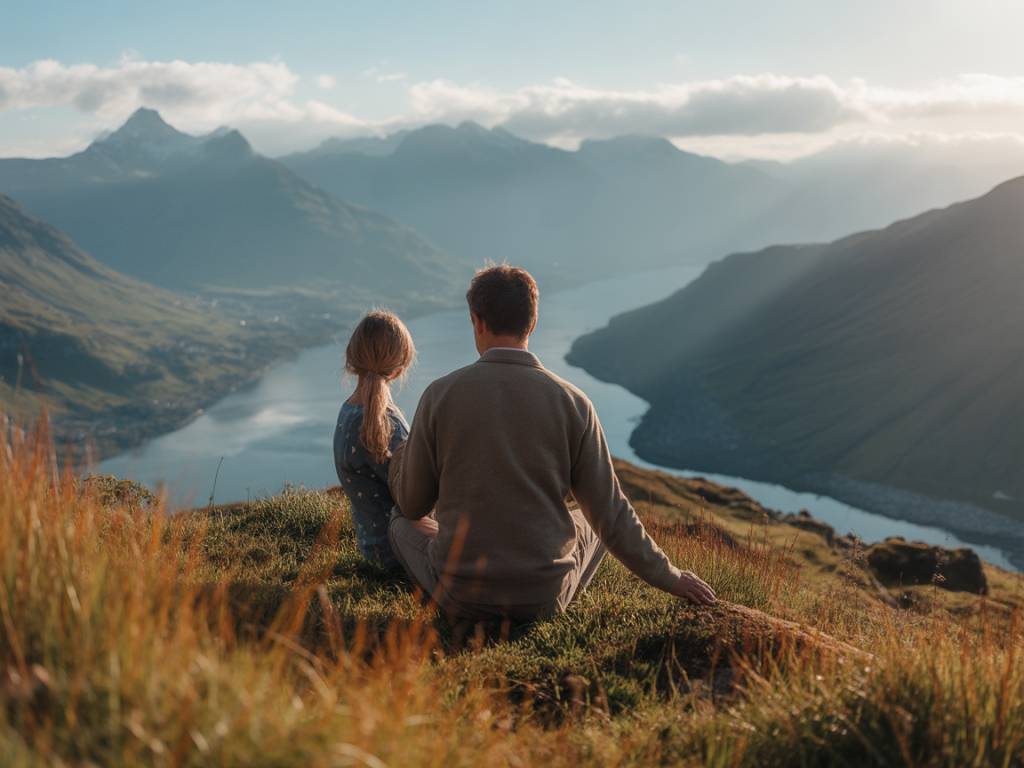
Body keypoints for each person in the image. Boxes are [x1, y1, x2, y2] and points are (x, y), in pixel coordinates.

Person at [388, 265, 716, 620]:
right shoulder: (574, 403)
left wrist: (401, 456)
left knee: (397, 523)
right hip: (543, 603)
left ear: (477, 321)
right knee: (594, 522)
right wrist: (672, 578)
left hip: (462, 596)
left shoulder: (441, 395)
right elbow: (613, 516)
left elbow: (412, 505)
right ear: (532, 322)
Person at [333, 310, 416, 569]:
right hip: (402, 553)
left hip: (373, 548)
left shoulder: (348, 412)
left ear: (352, 358)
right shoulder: (384, 423)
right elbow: (415, 497)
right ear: (399, 369)